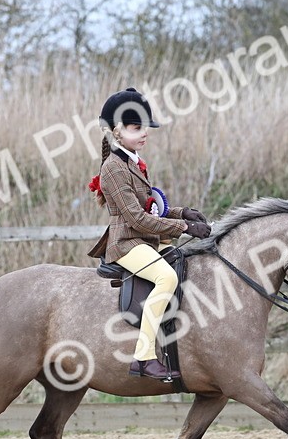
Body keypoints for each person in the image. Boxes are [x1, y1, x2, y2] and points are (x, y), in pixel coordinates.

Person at [86, 87, 212, 381]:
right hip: (127, 244)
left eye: (145, 128)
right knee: (165, 277)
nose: (144, 133)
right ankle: (143, 357)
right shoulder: (114, 168)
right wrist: (183, 228)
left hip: (143, 239)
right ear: (116, 132)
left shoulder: (133, 161)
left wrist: (182, 213)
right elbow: (137, 219)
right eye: (136, 128)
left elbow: (150, 206)